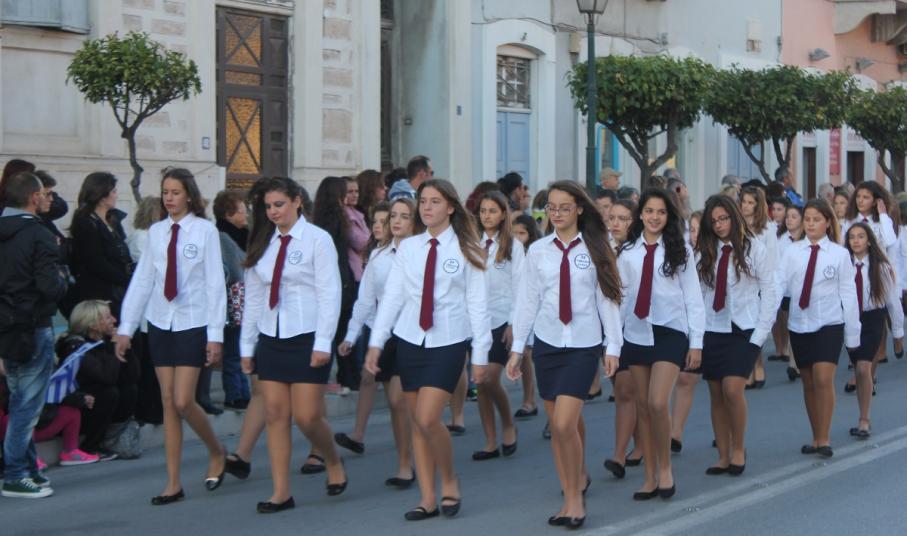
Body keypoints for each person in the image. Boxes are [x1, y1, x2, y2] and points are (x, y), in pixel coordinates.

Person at [364, 178, 491, 522]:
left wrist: (480, 355)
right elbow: (393, 298)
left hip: (448, 342)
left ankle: (449, 481)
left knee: (427, 418)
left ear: (450, 207)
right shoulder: (409, 248)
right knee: (417, 424)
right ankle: (427, 497)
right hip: (410, 340)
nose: (427, 207)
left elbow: (478, 305)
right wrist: (377, 342)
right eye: (423, 201)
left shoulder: (467, 248)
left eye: (435, 201)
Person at [507, 181, 622, 528]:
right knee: (561, 429)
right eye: (551, 208)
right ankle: (573, 485)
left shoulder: (596, 247)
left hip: (583, 345)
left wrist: (613, 346)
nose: (556, 214)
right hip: (548, 344)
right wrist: (517, 349)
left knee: (562, 423)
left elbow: (607, 298)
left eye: (564, 207)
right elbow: (528, 301)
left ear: (580, 209)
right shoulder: (538, 251)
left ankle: (575, 503)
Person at [115, 168, 228, 505]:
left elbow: (215, 284)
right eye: (165, 192)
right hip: (161, 322)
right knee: (168, 402)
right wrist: (126, 328)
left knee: (183, 400)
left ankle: (217, 451)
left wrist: (215, 335)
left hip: (193, 321)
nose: (169, 198)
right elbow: (143, 281)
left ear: (189, 195)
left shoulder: (205, 231)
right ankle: (173, 482)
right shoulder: (156, 232)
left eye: (175, 192)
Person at [239, 176, 347, 514]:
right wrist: (246, 346)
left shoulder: (318, 239)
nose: (273, 211)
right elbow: (254, 298)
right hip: (271, 337)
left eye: (279, 204)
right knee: (275, 414)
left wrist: (324, 341)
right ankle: (281, 492)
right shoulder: (263, 242)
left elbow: (330, 293)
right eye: (268, 206)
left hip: (308, 336)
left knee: (307, 416)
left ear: (297, 201)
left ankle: (332, 459)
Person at [617, 188, 704, 501]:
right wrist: (613, 342)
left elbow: (693, 297)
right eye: (650, 211)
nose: (655, 217)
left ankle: (665, 469)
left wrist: (696, 342)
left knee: (657, 402)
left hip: (670, 331)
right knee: (643, 406)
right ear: (640, 214)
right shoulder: (627, 252)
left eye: (661, 212)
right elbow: (620, 298)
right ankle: (650, 476)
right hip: (636, 332)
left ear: (669, 217)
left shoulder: (680, 251)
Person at [335, 197, 418, 487]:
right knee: (397, 404)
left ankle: (416, 456)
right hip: (386, 336)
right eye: (393, 216)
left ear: (415, 221)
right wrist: (351, 335)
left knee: (399, 399)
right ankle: (405, 463)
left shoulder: (423, 252)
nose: (396, 221)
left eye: (404, 216)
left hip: (415, 335)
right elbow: (365, 300)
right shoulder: (379, 257)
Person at [696, 195, 776, 476]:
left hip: (744, 328)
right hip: (712, 328)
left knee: (732, 389)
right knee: (716, 393)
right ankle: (723, 454)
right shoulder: (704, 251)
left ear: (734, 217)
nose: (719, 225)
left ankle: (739, 448)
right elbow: (698, 294)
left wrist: (760, 334)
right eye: (714, 221)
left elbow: (770, 292)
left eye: (724, 218)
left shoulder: (754, 248)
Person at [0, 171, 69, 498]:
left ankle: (27, 469)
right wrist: (62, 278)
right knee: (27, 406)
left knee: (19, 400)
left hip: (6, 326)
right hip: (32, 325)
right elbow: (49, 286)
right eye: (43, 193)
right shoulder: (38, 234)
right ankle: (15, 474)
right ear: (32, 197)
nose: (47, 198)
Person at [778, 199, 859, 458]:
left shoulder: (839, 254)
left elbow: (849, 294)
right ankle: (815, 437)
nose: (811, 224)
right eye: (808, 219)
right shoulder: (792, 252)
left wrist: (853, 334)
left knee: (823, 379)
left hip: (829, 324)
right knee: (809, 382)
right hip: (800, 324)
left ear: (828, 223)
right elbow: (779, 284)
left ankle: (824, 438)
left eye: (816, 219)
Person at [471, 191, 523, 461]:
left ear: (503, 214)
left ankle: (508, 423)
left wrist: (514, 323)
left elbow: (520, 286)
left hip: (502, 319)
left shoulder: (513, 246)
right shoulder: (471, 243)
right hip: (477, 321)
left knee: (491, 377)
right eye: (483, 211)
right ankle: (490, 440)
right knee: (480, 382)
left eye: (492, 211)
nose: (487, 216)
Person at [56, 300, 139, 459]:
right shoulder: (76, 346)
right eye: (108, 317)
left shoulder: (104, 341)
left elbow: (133, 376)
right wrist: (114, 347)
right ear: (93, 325)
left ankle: (111, 437)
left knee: (129, 389)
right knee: (108, 393)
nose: (114, 320)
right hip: (79, 406)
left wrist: (126, 349)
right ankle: (90, 446)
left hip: (98, 405)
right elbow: (106, 377)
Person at [843, 222, 904, 439]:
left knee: (863, 368)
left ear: (869, 241)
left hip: (872, 319)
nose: (856, 241)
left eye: (861, 236)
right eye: (852, 237)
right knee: (858, 368)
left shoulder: (881, 267)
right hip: (851, 320)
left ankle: (864, 419)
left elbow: (893, 302)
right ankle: (862, 410)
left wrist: (898, 332)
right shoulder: (844, 264)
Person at [604, 199, 643, 477]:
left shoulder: (640, 250)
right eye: (612, 218)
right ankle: (640, 444)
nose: (615, 223)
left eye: (623, 218)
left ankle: (618, 456)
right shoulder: (603, 249)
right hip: (609, 330)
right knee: (625, 392)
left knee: (625, 392)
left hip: (634, 328)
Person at [313, 176, 359, 393]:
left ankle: (339, 377)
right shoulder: (339, 220)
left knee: (334, 329)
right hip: (341, 278)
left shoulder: (318, 220)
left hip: (334, 277)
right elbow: (359, 241)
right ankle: (344, 377)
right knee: (340, 330)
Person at [69, 172, 134, 319]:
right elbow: (96, 262)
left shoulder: (112, 219)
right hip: (101, 295)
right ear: (102, 196)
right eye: (114, 192)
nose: (117, 196)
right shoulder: (86, 223)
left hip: (119, 290)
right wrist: (126, 280)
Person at [212, 190, 251, 411]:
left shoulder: (243, 234)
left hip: (243, 298)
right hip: (233, 300)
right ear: (228, 214)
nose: (246, 216)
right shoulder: (223, 237)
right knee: (233, 349)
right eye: (242, 212)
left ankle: (243, 391)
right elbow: (235, 270)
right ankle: (234, 393)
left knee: (240, 347)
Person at [738, 186, 777, 389]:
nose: (746, 206)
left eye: (750, 203)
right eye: (743, 202)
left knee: (757, 325)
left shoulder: (767, 228)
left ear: (758, 205)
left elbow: (772, 258)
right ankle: (748, 367)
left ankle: (758, 364)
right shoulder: (736, 224)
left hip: (761, 281)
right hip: (741, 282)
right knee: (745, 327)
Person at [510, 213, 540, 420]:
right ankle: (528, 399)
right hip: (515, 306)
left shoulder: (536, 252)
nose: (518, 238)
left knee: (528, 354)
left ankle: (530, 399)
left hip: (537, 308)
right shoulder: (508, 251)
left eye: (522, 233)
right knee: (523, 353)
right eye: (514, 234)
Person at [771, 206, 805, 382]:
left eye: (794, 216)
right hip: (786, 290)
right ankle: (793, 362)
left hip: (803, 289)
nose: (789, 220)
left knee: (800, 325)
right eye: (788, 217)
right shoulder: (780, 239)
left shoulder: (808, 240)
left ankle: (797, 362)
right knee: (791, 324)